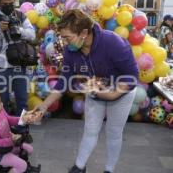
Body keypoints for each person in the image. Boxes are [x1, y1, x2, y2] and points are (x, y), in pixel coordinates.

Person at [31, 9, 139, 173]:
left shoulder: (112, 42)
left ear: (83, 32)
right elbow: (64, 82)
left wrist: (112, 94)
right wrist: (44, 106)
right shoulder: (70, 50)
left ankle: (109, 169)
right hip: (94, 92)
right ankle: (79, 167)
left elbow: (132, 75)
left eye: (68, 38)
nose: (65, 43)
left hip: (121, 92)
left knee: (114, 133)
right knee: (90, 130)